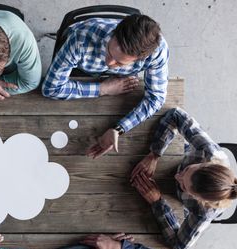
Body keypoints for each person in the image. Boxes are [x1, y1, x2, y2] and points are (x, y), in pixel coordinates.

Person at [42, 14, 169, 158]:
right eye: (109, 51)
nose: (109, 63)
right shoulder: (80, 39)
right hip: (84, 67)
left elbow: (156, 99)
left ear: (141, 58)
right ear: (114, 32)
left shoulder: (158, 51)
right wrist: (103, 89)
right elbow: (51, 88)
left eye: (119, 63)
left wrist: (119, 129)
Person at [131, 108, 237, 249]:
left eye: (184, 186)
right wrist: (155, 153)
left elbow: (179, 246)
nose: (178, 177)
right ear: (205, 163)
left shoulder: (205, 212)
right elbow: (176, 114)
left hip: (175, 200)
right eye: (187, 170)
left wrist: (157, 202)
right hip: (175, 158)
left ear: (198, 198)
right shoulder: (209, 151)